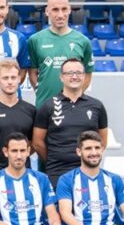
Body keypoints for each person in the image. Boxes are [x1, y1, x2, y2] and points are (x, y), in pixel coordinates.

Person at [32, 58, 108, 187]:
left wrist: (89, 159)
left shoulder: (97, 106)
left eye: (78, 73)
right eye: (69, 73)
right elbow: (37, 142)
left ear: (84, 76)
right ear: (61, 77)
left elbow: (103, 140)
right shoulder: (48, 106)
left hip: (88, 172)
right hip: (57, 173)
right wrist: (53, 160)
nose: (74, 77)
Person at [27, 0, 94, 107]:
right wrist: (40, 91)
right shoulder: (35, 40)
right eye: (55, 10)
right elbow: (32, 72)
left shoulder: (83, 41)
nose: (60, 14)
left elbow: (88, 73)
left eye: (64, 9)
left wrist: (76, 96)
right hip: (44, 105)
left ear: (69, 10)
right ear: (47, 12)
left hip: (73, 107)